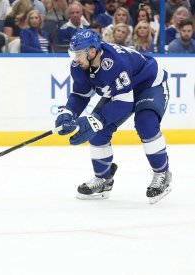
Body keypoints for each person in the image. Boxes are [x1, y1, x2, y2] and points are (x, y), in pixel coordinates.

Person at [55, 29, 172, 204]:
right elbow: (80, 95)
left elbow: (124, 102)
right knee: (98, 132)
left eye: (78, 54)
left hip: (148, 85)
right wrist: (68, 113)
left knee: (145, 123)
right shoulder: (79, 65)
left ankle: (162, 174)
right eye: (74, 54)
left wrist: (96, 121)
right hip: (121, 91)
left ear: (92, 51)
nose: (75, 59)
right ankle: (103, 180)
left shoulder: (114, 63)